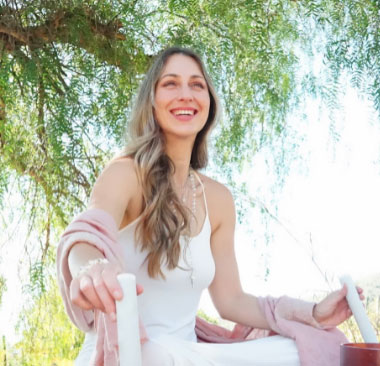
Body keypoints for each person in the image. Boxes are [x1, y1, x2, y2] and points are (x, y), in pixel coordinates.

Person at [59, 47, 363, 365]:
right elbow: (86, 235)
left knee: (307, 347)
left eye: (197, 85)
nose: (186, 94)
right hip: (133, 354)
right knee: (160, 355)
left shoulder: (217, 199)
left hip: (189, 355)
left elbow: (231, 300)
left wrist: (312, 313)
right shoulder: (126, 173)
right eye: (170, 84)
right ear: (151, 101)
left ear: (209, 103)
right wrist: (92, 268)